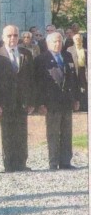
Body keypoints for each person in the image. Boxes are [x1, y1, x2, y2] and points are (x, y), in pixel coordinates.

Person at [0, 25, 35, 172]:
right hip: (4, 102)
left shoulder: (26, 53)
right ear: (3, 37)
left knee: (21, 133)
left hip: (22, 102)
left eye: (15, 35)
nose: (12, 38)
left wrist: (32, 101)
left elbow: (32, 80)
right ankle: (9, 164)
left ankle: (21, 163)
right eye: (9, 36)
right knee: (7, 133)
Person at [34, 32, 80, 170]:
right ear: (48, 43)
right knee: (53, 133)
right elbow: (37, 83)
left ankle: (65, 161)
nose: (58, 44)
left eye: (60, 41)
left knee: (67, 132)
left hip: (66, 100)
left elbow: (74, 79)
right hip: (51, 102)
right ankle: (53, 162)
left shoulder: (67, 56)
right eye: (55, 41)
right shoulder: (41, 59)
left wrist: (76, 99)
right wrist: (40, 103)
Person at [67, 33, 87, 112]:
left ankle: (83, 106)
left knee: (83, 90)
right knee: (74, 89)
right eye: (76, 39)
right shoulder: (69, 50)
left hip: (83, 73)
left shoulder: (85, 50)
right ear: (73, 40)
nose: (78, 40)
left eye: (79, 39)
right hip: (73, 72)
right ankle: (74, 106)